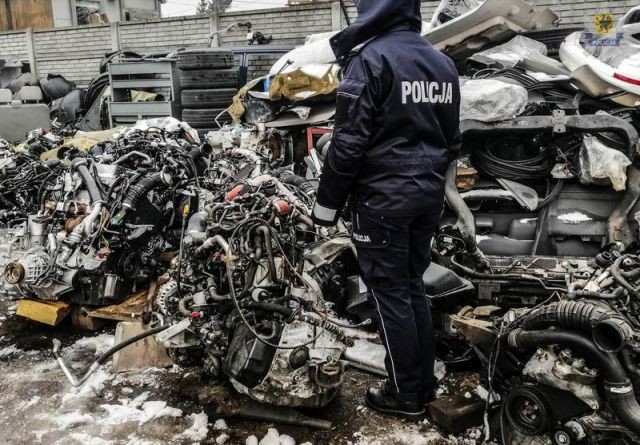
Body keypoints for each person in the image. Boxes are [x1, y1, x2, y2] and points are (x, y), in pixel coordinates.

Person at [310, 0, 462, 421]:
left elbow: (347, 144)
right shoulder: (442, 63)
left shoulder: (370, 60)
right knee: (412, 288)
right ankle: (422, 384)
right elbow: (452, 142)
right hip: (426, 198)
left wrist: (326, 206)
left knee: (390, 295)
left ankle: (405, 395)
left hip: (382, 202)